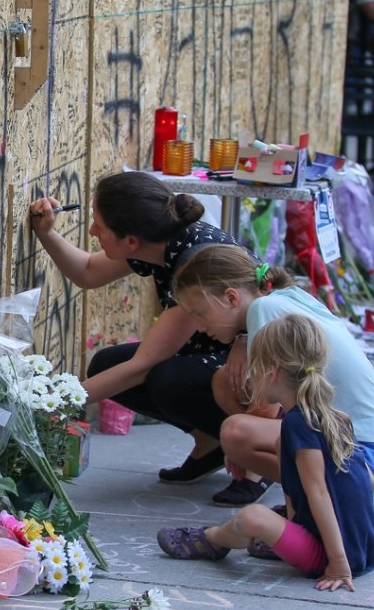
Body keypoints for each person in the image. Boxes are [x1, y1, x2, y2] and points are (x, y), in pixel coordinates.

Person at [29, 171, 243, 484]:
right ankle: (211, 439)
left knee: (164, 378)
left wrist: (44, 405)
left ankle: (252, 458)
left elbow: (141, 368)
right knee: (107, 364)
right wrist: (46, 233)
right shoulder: (156, 240)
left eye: (99, 226)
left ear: (131, 241)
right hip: (213, 351)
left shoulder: (194, 266)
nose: (91, 231)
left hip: (253, 368)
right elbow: (88, 272)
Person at [156, 314, 374, 591]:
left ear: (271, 374)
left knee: (253, 516)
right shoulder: (333, 416)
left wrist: (339, 562)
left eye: (253, 369)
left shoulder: (298, 423)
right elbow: (363, 478)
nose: (250, 377)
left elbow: (318, 492)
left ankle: (212, 540)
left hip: (332, 558)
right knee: (282, 454)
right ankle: (288, 537)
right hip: (364, 548)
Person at [172, 244, 374, 507]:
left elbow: (266, 410)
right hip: (355, 434)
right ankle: (314, 499)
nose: (199, 326)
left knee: (235, 434)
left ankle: (327, 499)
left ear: (232, 298)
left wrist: (237, 455)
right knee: (225, 380)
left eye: (200, 313)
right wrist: (243, 341)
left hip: (359, 446)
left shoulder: (262, 310)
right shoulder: (285, 297)